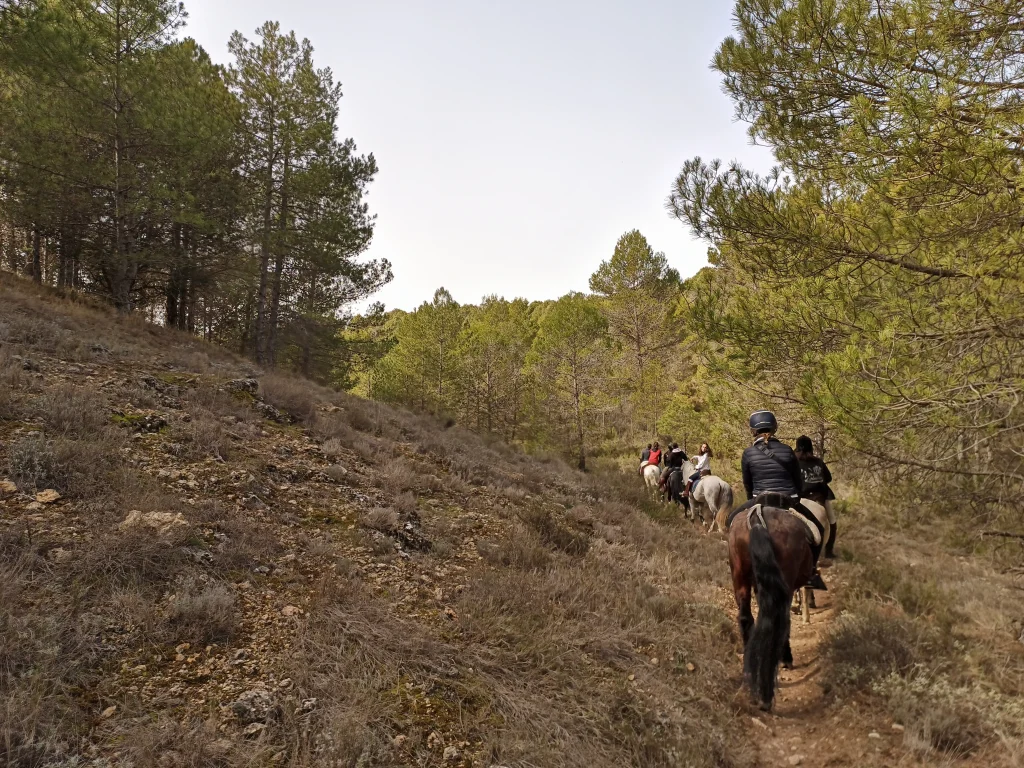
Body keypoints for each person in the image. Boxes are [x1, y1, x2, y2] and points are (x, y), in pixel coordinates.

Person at [732, 410, 827, 591]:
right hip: (788, 500)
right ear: (775, 427)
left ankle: (738, 566)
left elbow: (748, 483)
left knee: (731, 522)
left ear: (753, 431)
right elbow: (797, 480)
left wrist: (751, 502)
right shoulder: (787, 451)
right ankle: (811, 572)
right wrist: (796, 498)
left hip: (759, 499)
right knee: (817, 532)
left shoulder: (748, 453)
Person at [795, 435, 837, 559]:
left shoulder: (795, 463)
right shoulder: (818, 462)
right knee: (832, 523)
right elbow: (829, 478)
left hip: (801, 498)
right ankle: (829, 551)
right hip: (819, 498)